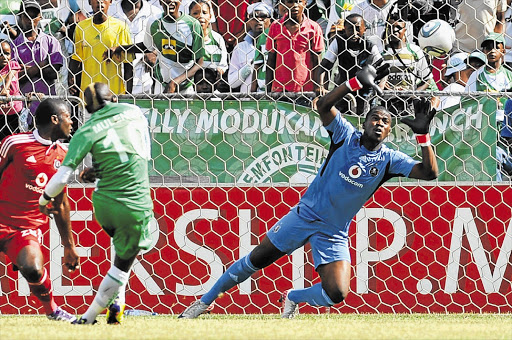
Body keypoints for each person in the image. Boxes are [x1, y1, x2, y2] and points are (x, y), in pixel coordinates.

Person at [178, 60, 439, 319]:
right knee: (254, 260)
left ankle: (293, 297)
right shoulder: (345, 137)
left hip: (334, 232)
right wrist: (354, 83)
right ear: (364, 122)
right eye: (374, 118)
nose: (379, 123)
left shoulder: (389, 160)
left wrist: (423, 136)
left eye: (385, 121)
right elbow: (323, 105)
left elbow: (429, 173)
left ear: (390, 131)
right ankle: (204, 302)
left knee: (337, 293)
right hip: (304, 216)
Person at [38, 82, 153, 325]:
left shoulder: (87, 129)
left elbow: (62, 177)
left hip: (103, 203)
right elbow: (140, 150)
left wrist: (44, 198)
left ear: (88, 109)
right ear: (113, 98)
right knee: (123, 263)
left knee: (121, 247)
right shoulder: (133, 113)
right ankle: (90, 317)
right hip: (134, 199)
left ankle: (117, 305)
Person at [0, 98, 78, 322]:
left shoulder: (65, 154)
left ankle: (52, 310)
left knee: (33, 269)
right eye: (68, 117)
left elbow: (61, 203)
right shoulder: (14, 143)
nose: (71, 123)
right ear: (55, 119)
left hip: (25, 228)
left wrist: (69, 247)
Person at [107, 0, 205, 94]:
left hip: (185, 87)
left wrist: (175, 82)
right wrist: (121, 48)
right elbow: (146, 46)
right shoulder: (154, 22)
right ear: (160, 2)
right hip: (161, 85)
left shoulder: (192, 25)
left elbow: (199, 63)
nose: (170, 0)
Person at [314, 13, 381, 115]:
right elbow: (324, 66)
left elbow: (382, 66)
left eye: (358, 28)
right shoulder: (338, 42)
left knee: (364, 121)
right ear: (345, 29)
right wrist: (320, 85)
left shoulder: (370, 46)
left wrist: (381, 84)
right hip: (344, 90)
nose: (354, 33)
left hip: (366, 93)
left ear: (365, 29)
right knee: (343, 121)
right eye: (350, 29)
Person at [10, 0, 64, 119]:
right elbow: (14, 77)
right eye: (26, 16)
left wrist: (27, 70)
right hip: (22, 103)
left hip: (47, 102)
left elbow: (53, 73)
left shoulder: (51, 42)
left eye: (34, 16)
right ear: (21, 17)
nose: (30, 20)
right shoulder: (14, 46)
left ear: (40, 17)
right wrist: (42, 65)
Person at [68, 0, 134, 97]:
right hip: (89, 96)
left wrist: (128, 97)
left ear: (110, 1)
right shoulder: (81, 28)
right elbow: (76, 58)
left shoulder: (120, 27)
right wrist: (70, 77)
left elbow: (128, 65)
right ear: (90, 2)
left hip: (113, 95)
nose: (99, 1)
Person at [265, 0, 325, 97]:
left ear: (305, 4)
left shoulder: (313, 28)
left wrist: (318, 86)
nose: (295, 5)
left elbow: (317, 61)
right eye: (290, 2)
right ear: (284, 4)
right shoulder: (275, 27)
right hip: (280, 89)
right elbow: (271, 60)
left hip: (305, 90)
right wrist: (268, 91)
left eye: (299, 2)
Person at [379, 13, 432, 115]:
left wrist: (413, 93)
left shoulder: (415, 51)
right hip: (387, 103)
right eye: (390, 27)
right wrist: (384, 87)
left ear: (405, 30)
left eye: (398, 27)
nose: (394, 30)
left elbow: (427, 80)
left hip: (409, 104)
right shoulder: (381, 53)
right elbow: (375, 80)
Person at [108, 0, 163, 94]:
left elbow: (163, 40)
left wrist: (155, 53)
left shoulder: (154, 12)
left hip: (144, 78)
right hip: (112, 76)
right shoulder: (110, 10)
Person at [228, 2, 272, 93]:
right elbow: (232, 82)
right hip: (247, 102)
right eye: (254, 16)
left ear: (270, 19)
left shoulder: (276, 45)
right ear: (249, 21)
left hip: (270, 100)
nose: (259, 19)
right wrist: (249, 67)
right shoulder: (240, 47)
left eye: (263, 16)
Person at [189, 0, 228, 78]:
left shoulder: (217, 38)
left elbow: (223, 65)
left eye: (204, 12)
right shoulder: (187, 39)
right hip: (190, 83)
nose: (200, 16)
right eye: (195, 13)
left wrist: (218, 72)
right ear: (189, 17)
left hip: (212, 82)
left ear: (210, 16)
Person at [0, 40, 23, 140]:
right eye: (0, 54)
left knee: (13, 137)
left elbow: (11, 74)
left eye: (7, 53)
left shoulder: (12, 64)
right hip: (1, 111)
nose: (4, 56)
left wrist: (5, 88)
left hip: (14, 110)